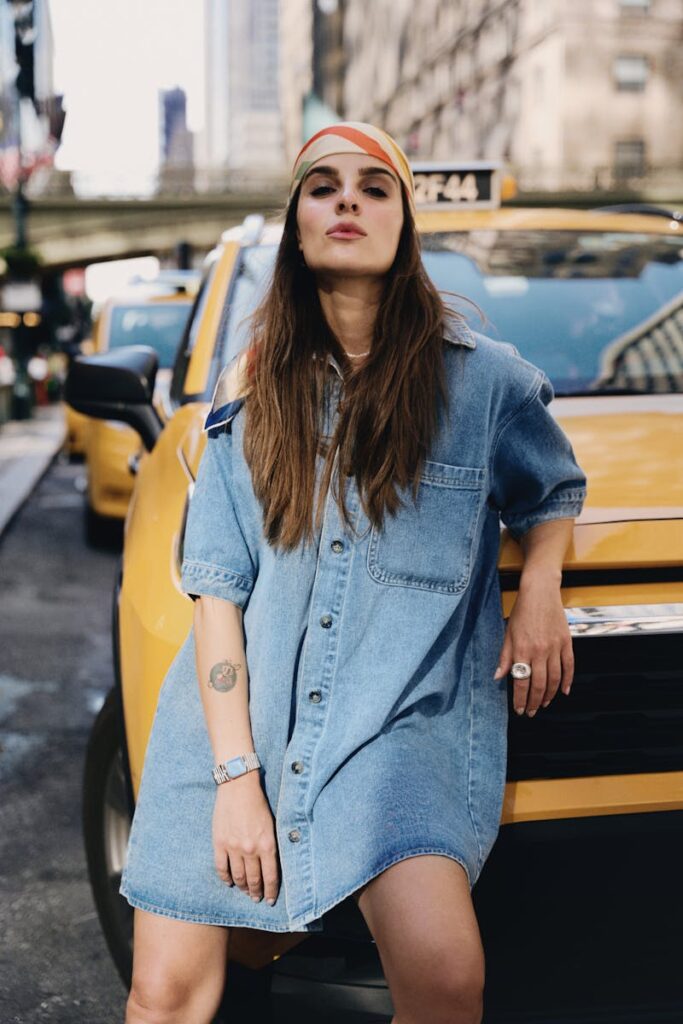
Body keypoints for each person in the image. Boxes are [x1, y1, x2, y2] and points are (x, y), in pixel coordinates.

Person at [119, 122, 587, 1024]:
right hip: (233, 725)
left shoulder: (484, 383)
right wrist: (236, 782)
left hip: (395, 730)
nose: (347, 201)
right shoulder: (247, 397)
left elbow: (551, 487)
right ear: (296, 226)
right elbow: (217, 595)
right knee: (165, 993)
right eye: (323, 186)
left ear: (405, 226)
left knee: (447, 979)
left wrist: (539, 590)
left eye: (375, 188)